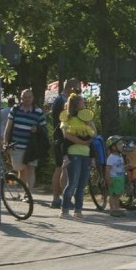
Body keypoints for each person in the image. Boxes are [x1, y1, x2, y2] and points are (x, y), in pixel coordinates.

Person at [2, 89, 47, 194]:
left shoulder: (38, 112)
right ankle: (24, 191)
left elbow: (44, 129)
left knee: (31, 169)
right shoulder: (15, 110)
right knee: (22, 170)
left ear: (33, 98)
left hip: (32, 146)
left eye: (29, 97)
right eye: (25, 97)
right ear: (21, 98)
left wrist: (37, 129)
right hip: (17, 145)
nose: (27, 99)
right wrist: (5, 142)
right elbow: (8, 127)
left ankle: (29, 193)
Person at [59, 94, 96, 220]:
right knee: (72, 182)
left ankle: (78, 210)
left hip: (85, 154)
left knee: (82, 184)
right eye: (82, 102)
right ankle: (64, 210)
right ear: (76, 104)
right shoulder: (67, 118)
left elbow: (94, 133)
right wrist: (82, 142)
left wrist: (89, 122)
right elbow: (67, 136)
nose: (84, 103)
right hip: (73, 152)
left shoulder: (85, 117)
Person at [49, 79, 82, 208]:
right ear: (71, 89)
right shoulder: (62, 101)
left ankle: (58, 199)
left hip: (60, 138)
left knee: (61, 168)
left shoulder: (59, 100)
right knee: (63, 168)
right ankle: (61, 199)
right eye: (77, 90)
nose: (78, 93)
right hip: (62, 139)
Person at [105, 136, 127, 217]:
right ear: (114, 147)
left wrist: (127, 167)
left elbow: (120, 167)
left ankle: (117, 209)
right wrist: (108, 180)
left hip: (120, 178)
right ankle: (112, 209)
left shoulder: (120, 156)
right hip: (114, 178)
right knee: (113, 195)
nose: (122, 145)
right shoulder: (111, 158)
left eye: (122, 143)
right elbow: (108, 169)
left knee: (117, 195)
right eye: (120, 144)